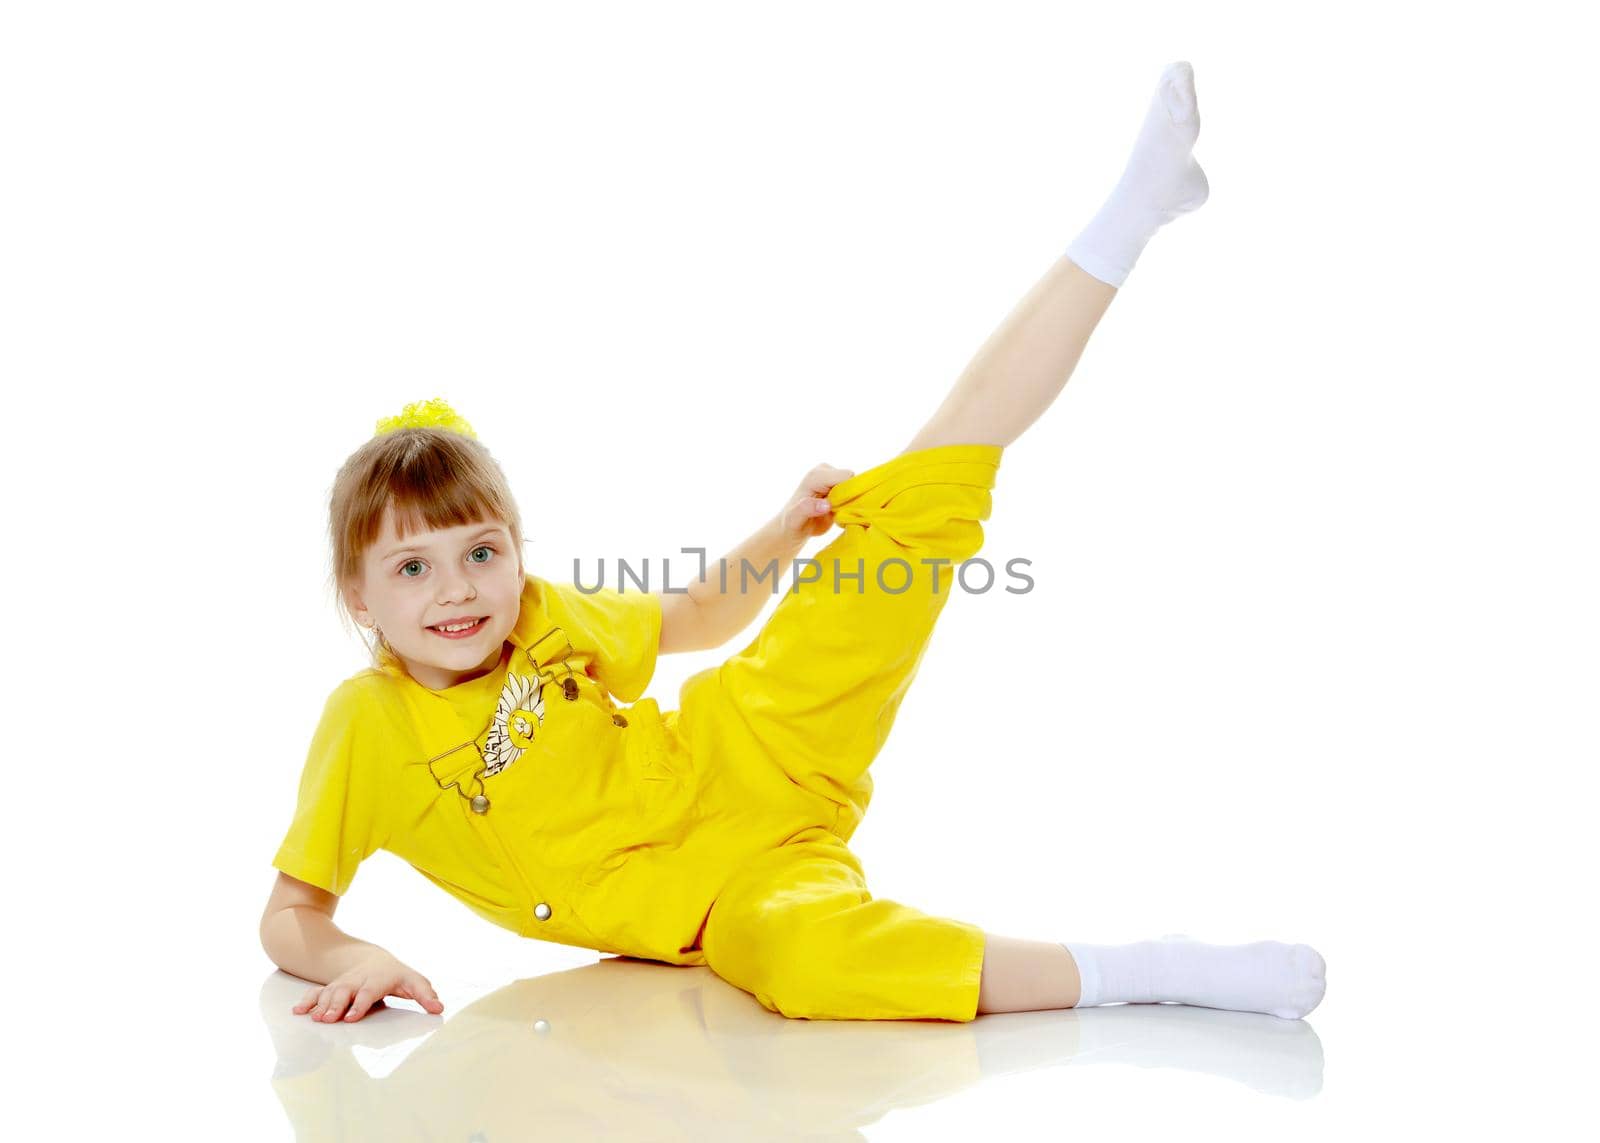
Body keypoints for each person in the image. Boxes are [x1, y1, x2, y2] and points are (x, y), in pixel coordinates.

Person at [260, 61, 1327, 1026]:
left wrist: (780, 535)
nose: (459, 591)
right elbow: (292, 913)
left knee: (910, 505)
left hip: (752, 741)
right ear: (357, 596)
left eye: (481, 552)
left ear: (514, 548)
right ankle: (1150, 970)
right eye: (412, 568)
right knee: (810, 968)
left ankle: (1129, 216)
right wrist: (356, 952)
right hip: (722, 899)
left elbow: (690, 621)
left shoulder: (540, 613)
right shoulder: (369, 724)